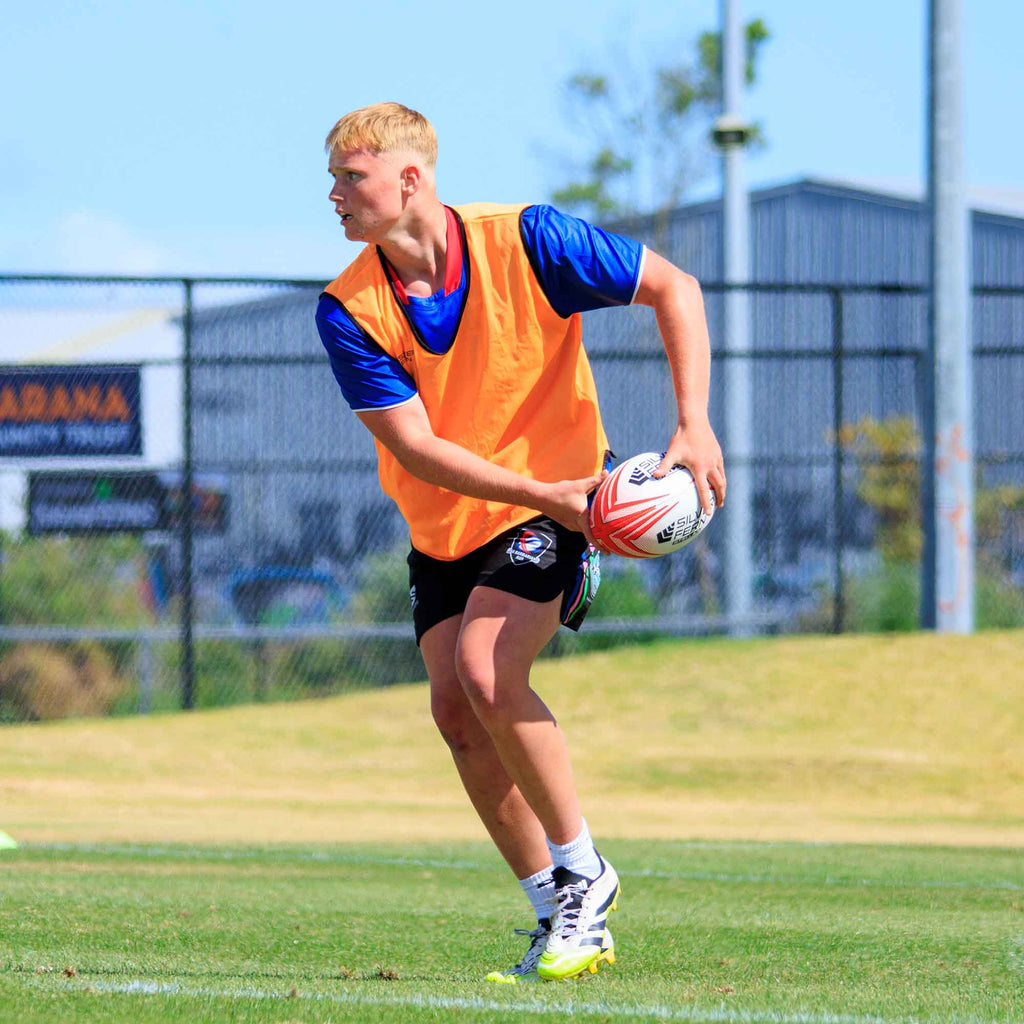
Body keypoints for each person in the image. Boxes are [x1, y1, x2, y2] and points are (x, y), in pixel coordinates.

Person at [315, 102, 726, 983]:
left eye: (350, 177)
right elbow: (418, 447)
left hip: (559, 502)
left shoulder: (528, 240)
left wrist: (694, 426)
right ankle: (556, 911)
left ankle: (587, 871)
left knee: (488, 668)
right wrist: (540, 491)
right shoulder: (348, 307)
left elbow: (675, 289)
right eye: (334, 180)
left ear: (409, 178)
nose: (335, 197)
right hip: (451, 524)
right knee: (457, 715)